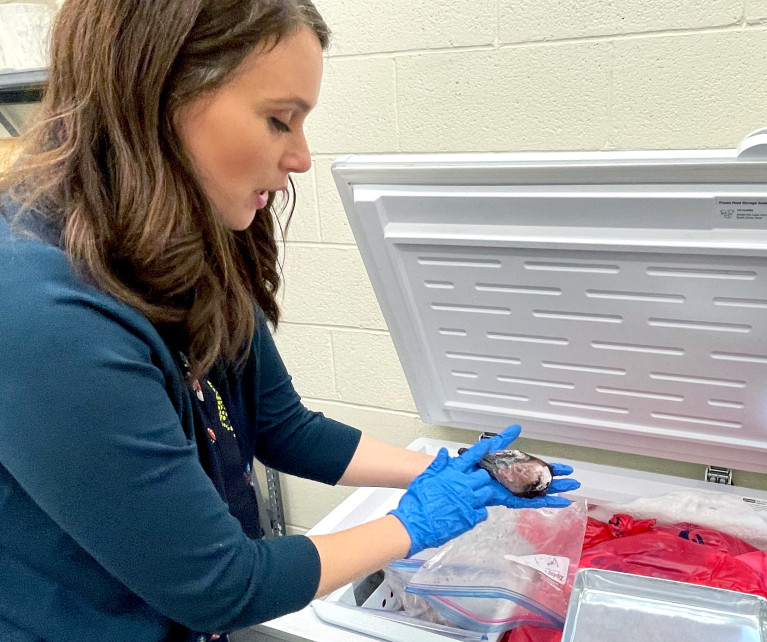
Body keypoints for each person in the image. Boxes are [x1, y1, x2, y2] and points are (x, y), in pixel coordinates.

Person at [0, 2, 580, 641]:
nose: (301, 158)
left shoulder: (184, 240)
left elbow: (282, 426)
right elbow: (223, 586)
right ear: (159, 94)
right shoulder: (43, 316)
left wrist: (446, 470)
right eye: (280, 121)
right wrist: (415, 525)